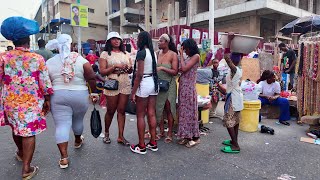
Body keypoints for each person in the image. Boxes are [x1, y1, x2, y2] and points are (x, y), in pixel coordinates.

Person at [0, 17, 54, 179]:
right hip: (31, 103)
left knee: (16, 128)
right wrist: (48, 100)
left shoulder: (4, 57)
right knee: (28, 133)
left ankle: (20, 152)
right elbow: (44, 83)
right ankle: (26, 168)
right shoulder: (37, 59)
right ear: (28, 40)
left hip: (10, 101)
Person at [45, 34, 98, 169]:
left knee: (62, 125)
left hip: (58, 95)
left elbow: (46, 82)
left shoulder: (50, 62)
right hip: (80, 95)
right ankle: (77, 140)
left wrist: (46, 99)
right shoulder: (80, 60)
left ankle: (64, 158)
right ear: (70, 44)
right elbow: (91, 77)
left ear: (57, 46)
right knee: (78, 120)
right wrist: (94, 93)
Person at [99, 32, 132, 145]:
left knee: (122, 110)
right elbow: (102, 72)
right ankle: (106, 133)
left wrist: (128, 68)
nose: (116, 41)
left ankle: (121, 136)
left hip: (125, 82)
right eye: (113, 39)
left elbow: (131, 70)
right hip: (112, 82)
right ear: (109, 41)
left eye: (118, 39)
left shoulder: (126, 53)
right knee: (110, 110)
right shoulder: (105, 54)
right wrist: (115, 66)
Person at [130, 31, 159, 155]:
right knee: (151, 113)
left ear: (141, 40)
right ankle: (153, 143)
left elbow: (139, 74)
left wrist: (133, 92)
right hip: (153, 83)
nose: (137, 40)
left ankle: (141, 145)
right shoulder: (153, 53)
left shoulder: (141, 53)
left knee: (140, 115)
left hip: (144, 83)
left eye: (138, 38)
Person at [217, 33, 243, 153]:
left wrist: (229, 40)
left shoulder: (234, 69)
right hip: (236, 96)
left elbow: (226, 57)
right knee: (235, 121)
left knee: (229, 121)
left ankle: (235, 146)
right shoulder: (239, 68)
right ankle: (234, 141)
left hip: (233, 98)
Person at [177, 38, 201, 148]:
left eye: (185, 49)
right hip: (183, 88)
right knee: (184, 113)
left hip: (189, 89)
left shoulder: (196, 56)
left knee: (190, 113)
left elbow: (184, 68)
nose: (185, 51)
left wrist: (181, 55)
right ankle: (186, 135)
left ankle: (195, 137)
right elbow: (180, 69)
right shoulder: (190, 57)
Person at [155, 34, 178, 143]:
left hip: (169, 84)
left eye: (161, 41)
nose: (159, 42)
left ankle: (169, 132)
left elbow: (175, 71)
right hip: (159, 84)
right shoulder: (157, 53)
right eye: (159, 41)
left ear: (167, 42)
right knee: (159, 107)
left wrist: (162, 68)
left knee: (169, 108)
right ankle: (161, 131)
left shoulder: (173, 55)